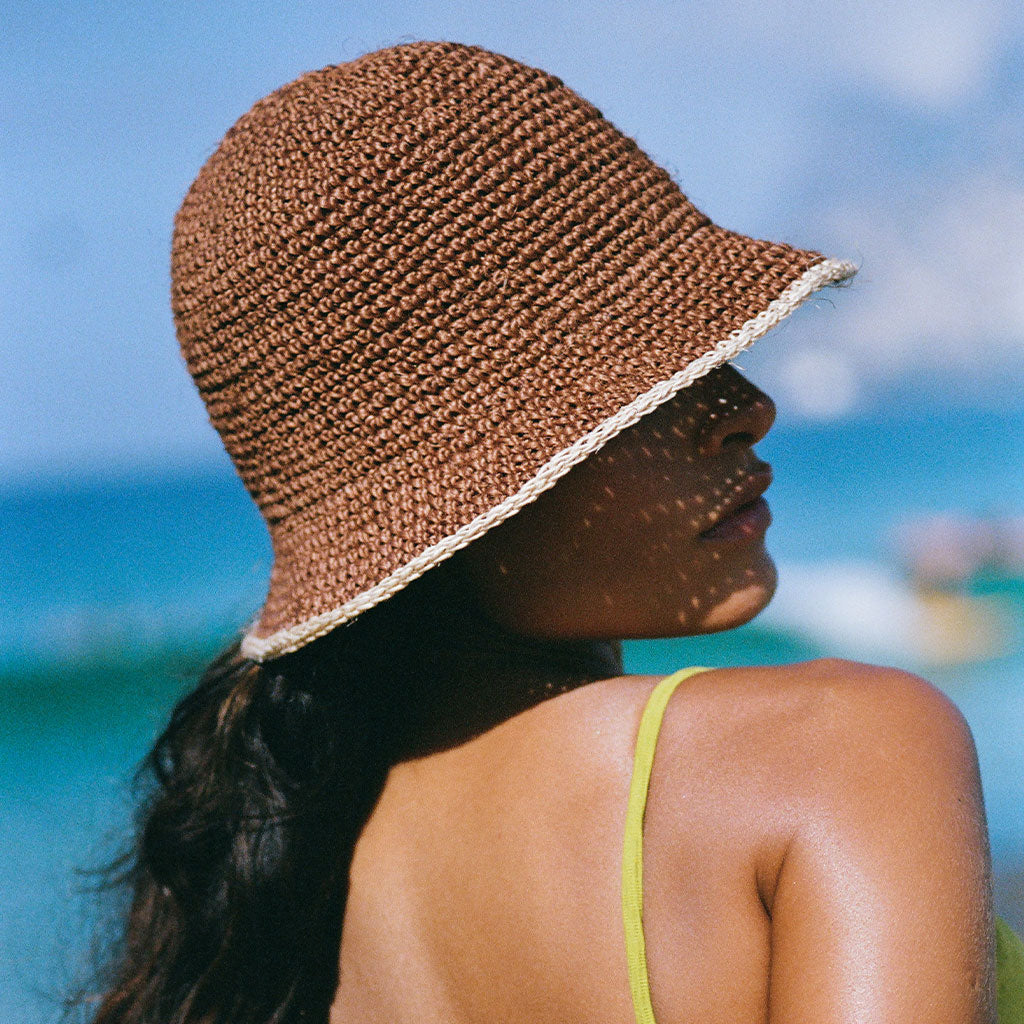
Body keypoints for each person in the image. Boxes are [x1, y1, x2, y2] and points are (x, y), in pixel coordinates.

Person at [70, 39, 1023, 1024]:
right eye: (639, 391)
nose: (746, 405)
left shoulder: (284, 915)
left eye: (710, 354)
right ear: (455, 488)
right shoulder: (840, 753)